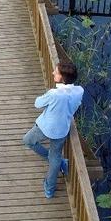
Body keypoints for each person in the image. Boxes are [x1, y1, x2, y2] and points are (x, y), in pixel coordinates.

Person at [23, 60, 83, 198]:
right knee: (55, 156)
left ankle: (54, 159)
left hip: (46, 127)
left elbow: (37, 103)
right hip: (62, 129)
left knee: (28, 140)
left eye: (56, 72)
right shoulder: (79, 91)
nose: (52, 73)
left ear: (62, 78)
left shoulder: (54, 94)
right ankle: (49, 189)